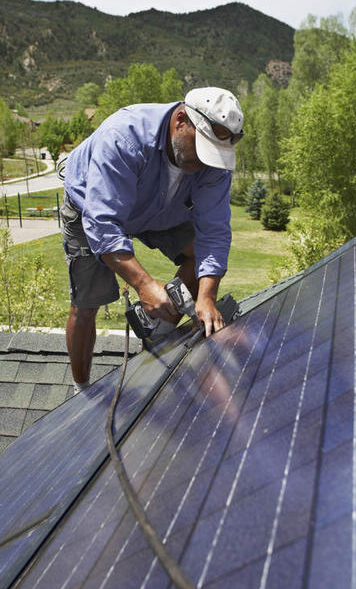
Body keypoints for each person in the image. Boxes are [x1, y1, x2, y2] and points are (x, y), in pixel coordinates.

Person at [62, 86, 244, 393]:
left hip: (163, 208)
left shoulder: (214, 162)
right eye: (200, 150)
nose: (204, 162)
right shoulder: (123, 136)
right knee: (86, 304)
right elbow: (103, 223)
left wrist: (207, 296)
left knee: (198, 255)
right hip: (92, 208)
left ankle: (157, 327)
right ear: (181, 121)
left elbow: (214, 231)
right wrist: (144, 285)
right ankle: (81, 389)